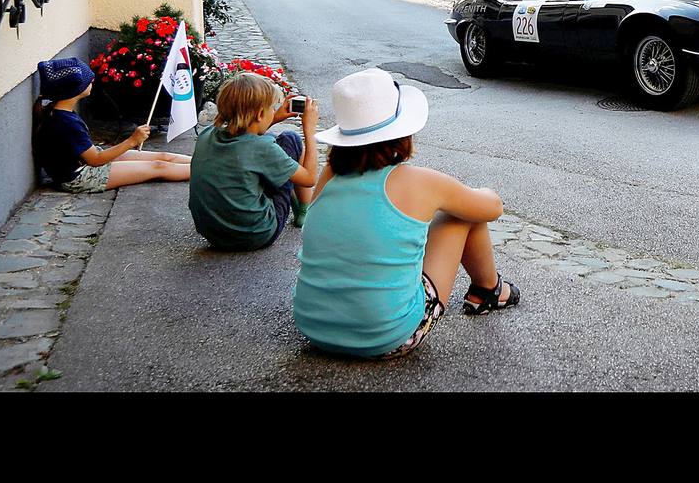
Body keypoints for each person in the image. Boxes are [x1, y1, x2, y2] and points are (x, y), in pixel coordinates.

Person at [292, 68, 520, 360]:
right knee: (462, 215)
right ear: (402, 132)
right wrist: (482, 190)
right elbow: (492, 208)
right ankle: (489, 290)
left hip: (315, 327)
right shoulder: (420, 182)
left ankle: (487, 290)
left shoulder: (330, 175)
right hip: (389, 335)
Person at [188, 72, 320, 251]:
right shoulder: (262, 149)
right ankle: (305, 210)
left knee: (270, 144)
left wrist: (274, 117)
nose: (274, 111)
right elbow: (310, 178)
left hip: (213, 234)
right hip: (257, 234)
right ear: (259, 114)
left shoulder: (207, 134)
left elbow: (246, 134)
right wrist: (309, 130)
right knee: (291, 140)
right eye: (272, 108)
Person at [33, 57, 191, 193]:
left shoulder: (58, 112)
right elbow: (95, 159)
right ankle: (211, 172)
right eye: (88, 79)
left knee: (163, 157)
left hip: (85, 161)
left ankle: (208, 162)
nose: (92, 81)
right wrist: (132, 141)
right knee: (158, 167)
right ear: (74, 90)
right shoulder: (65, 122)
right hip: (80, 176)